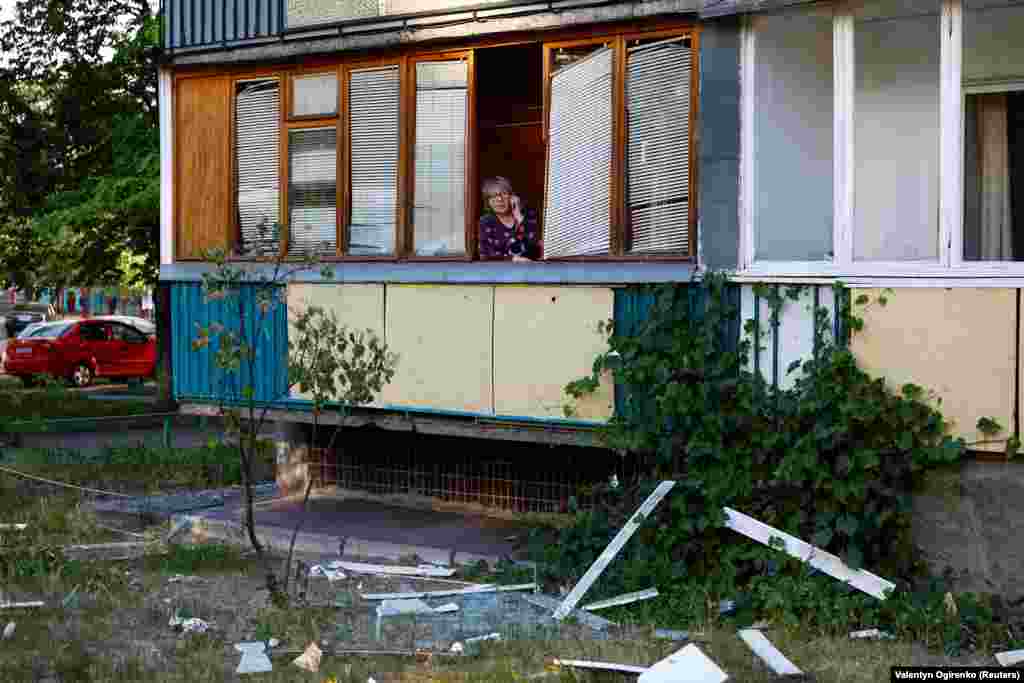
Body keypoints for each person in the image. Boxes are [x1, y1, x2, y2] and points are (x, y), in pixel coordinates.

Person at [478, 176, 541, 261]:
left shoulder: (528, 216)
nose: (500, 199)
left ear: (512, 197)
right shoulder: (486, 221)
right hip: (500, 271)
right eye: (493, 196)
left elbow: (536, 246)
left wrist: (519, 216)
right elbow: (486, 254)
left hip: (531, 269)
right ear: (488, 202)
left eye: (504, 194)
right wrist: (512, 259)